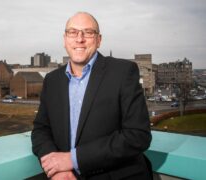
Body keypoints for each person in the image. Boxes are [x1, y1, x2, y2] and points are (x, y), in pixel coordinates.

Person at [31, 12, 152, 180]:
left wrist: (72, 160)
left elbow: (138, 135)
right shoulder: (52, 80)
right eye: (73, 32)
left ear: (99, 39)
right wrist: (57, 168)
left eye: (88, 32)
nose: (79, 39)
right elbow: (41, 129)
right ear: (65, 39)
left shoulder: (123, 72)